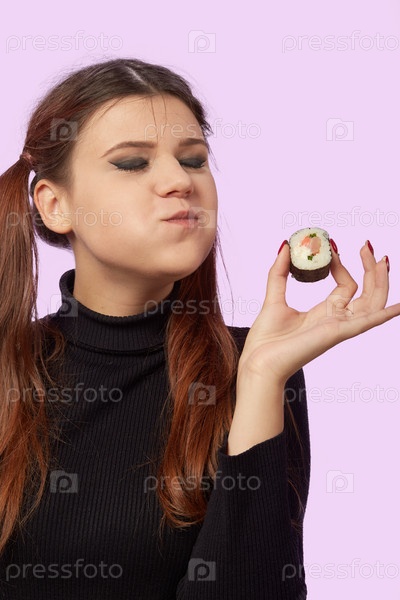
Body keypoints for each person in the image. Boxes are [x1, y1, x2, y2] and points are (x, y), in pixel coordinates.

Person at [0, 57, 397, 600]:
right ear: (55, 204)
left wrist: (260, 378)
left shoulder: (257, 368)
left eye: (194, 160)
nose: (179, 181)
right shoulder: (10, 370)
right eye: (132, 163)